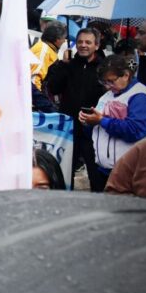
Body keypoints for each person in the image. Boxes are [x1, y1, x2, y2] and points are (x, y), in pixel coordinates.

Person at [79, 55, 146, 186]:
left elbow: (135, 130)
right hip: (104, 170)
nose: (108, 86)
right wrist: (88, 122)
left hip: (131, 172)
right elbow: (95, 132)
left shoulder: (141, 96)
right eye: (104, 82)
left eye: (111, 81)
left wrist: (101, 121)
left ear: (126, 75)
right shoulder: (106, 96)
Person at [45, 27, 106, 191]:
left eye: (88, 42)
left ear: (97, 45)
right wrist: (62, 64)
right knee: (64, 171)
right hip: (69, 126)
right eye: (80, 42)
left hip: (93, 128)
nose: (83, 45)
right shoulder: (67, 64)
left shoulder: (105, 67)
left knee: (95, 173)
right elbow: (53, 87)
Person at [30, 21, 67, 90]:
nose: (64, 41)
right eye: (64, 38)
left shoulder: (48, 49)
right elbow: (34, 78)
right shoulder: (44, 50)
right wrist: (39, 99)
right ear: (57, 39)